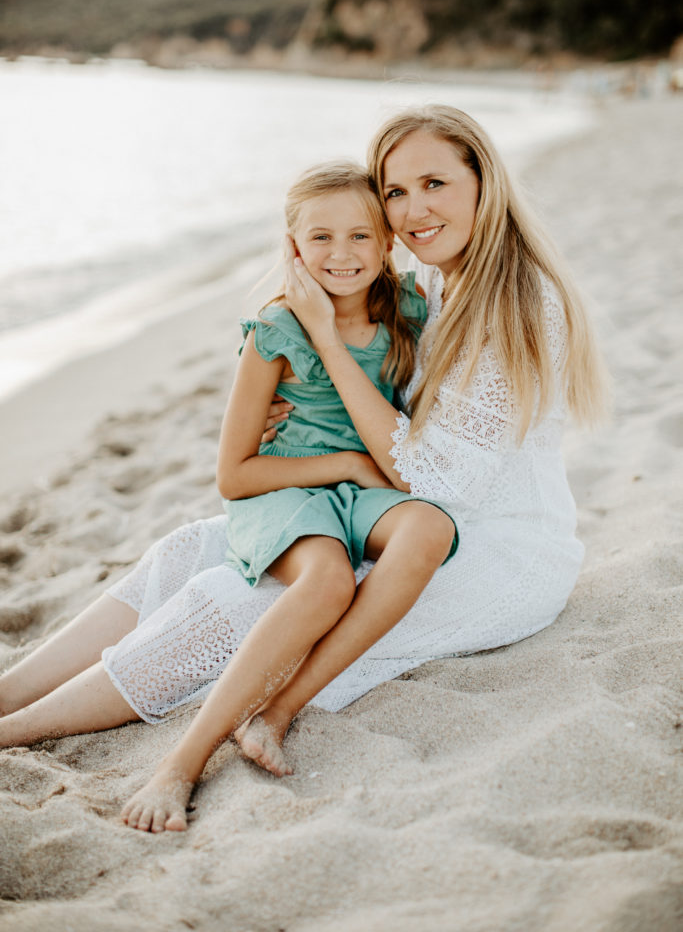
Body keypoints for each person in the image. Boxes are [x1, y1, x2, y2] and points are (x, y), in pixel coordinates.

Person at [0, 104, 607, 835]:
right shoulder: (430, 284)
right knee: (196, 544)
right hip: (398, 507)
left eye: (435, 183)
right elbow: (381, 394)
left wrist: (321, 340)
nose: (413, 210)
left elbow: (440, 480)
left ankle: (20, 729)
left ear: (484, 183)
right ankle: (8, 693)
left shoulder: (518, 297)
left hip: (491, 550)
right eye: (394, 191)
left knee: (234, 601)